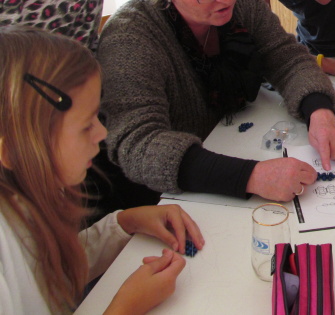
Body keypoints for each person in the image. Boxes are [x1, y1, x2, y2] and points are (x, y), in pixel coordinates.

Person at [97, 0, 335, 205]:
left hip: (232, 145)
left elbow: (286, 57)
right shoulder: (130, 37)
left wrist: (320, 111)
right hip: (170, 196)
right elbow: (138, 144)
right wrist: (250, 176)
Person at [0, 25, 204, 314]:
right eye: (86, 126)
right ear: (12, 151)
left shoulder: (31, 191)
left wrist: (123, 223)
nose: (101, 133)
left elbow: (51, 271)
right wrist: (124, 308)